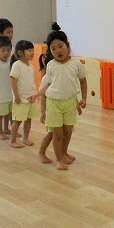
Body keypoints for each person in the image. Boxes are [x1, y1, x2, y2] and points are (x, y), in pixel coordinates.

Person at [36, 27, 87, 170]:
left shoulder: (76, 64)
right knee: (56, 134)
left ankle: (64, 153)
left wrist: (83, 99)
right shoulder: (51, 66)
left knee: (68, 132)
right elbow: (46, 90)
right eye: (53, 49)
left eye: (60, 46)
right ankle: (59, 159)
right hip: (54, 104)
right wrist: (42, 110)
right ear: (50, 51)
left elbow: (82, 81)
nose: (58, 51)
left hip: (70, 103)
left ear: (67, 46)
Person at [9, 40, 38, 149]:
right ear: (20, 52)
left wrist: (34, 95)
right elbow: (13, 80)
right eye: (29, 50)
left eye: (33, 50)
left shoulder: (31, 66)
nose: (32, 52)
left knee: (29, 119)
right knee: (17, 121)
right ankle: (12, 141)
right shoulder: (17, 65)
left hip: (30, 98)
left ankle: (25, 138)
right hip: (20, 99)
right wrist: (16, 96)